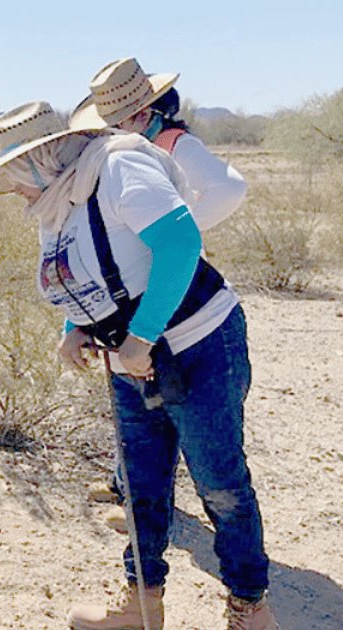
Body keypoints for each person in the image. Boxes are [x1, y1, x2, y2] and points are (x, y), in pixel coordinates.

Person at [0, 101, 278, 629]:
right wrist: (76, 328)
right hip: (132, 358)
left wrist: (140, 337)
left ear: (44, 156)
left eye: (15, 171)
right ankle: (141, 606)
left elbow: (180, 243)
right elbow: (82, 271)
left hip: (198, 345)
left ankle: (250, 608)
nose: (13, 187)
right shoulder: (56, 201)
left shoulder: (116, 166)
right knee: (139, 483)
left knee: (219, 482)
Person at [73, 59, 251, 534]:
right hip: (143, 287)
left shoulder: (172, 143)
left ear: (143, 109)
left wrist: (175, 232)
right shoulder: (126, 151)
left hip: (178, 293)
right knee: (137, 396)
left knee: (173, 398)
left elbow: (231, 189)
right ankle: (124, 483)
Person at [70, 58, 248, 231]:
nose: (108, 133)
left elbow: (230, 187)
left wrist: (176, 232)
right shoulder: (121, 152)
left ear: (143, 115)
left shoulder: (176, 146)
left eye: (115, 124)